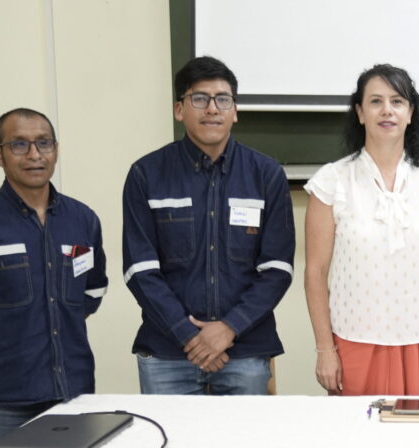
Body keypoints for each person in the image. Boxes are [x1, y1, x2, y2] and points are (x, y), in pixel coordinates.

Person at [0, 108, 108, 446]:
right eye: (19, 145)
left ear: (56, 149)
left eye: (44, 143)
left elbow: (92, 292)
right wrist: (0, 344)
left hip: (75, 393)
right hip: (4, 401)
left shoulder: (83, 219)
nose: (35, 155)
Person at [122, 56, 294, 395]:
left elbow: (277, 268)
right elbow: (140, 270)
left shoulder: (266, 175)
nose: (212, 109)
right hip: (168, 354)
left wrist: (228, 329)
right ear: (179, 109)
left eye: (222, 99)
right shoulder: (146, 174)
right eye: (199, 99)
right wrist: (191, 337)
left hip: (243, 352)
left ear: (235, 110)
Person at [303, 64, 419, 396]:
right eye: (375, 101)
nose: (387, 110)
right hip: (356, 339)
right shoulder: (332, 181)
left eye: (397, 101)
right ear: (360, 113)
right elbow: (315, 272)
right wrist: (324, 348)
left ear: (410, 113)